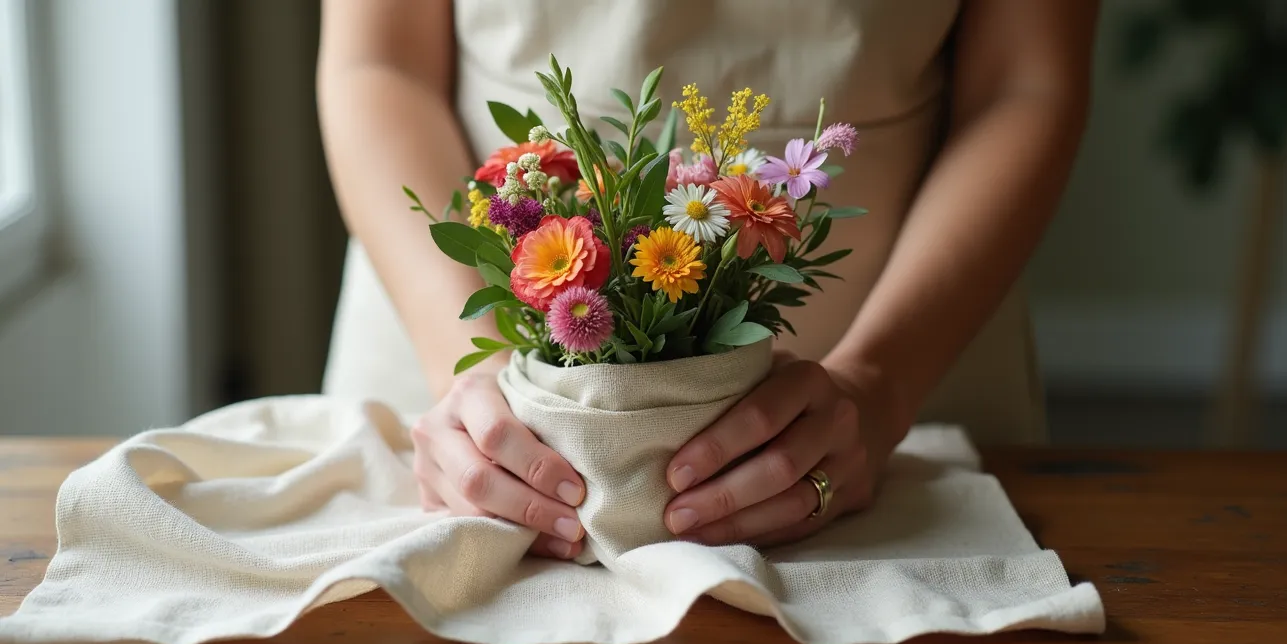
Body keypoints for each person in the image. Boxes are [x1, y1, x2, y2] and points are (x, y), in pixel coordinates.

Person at [317, 0, 1098, 560]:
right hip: (462, 361)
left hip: (901, 382)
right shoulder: (476, 393)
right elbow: (378, 62)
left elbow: (1024, 84)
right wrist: (492, 385)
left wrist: (879, 388)